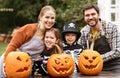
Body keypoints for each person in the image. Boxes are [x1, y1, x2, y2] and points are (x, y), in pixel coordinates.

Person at [0, 5, 57, 77]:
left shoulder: (49, 36)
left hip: (27, 68)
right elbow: (12, 46)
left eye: (52, 18)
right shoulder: (28, 29)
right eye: (47, 17)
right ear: (40, 17)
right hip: (12, 64)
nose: (50, 20)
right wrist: (5, 64)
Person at [78, 3, 120, 72]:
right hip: (91, 66)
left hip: (113, 66)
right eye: (87, 15)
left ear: (98, 14)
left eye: (93, 14)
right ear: (84, 17)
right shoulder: (83, 32)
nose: (90, 17)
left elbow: (117, 51)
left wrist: (97, 58)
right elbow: (80, 51)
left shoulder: (111, 28)